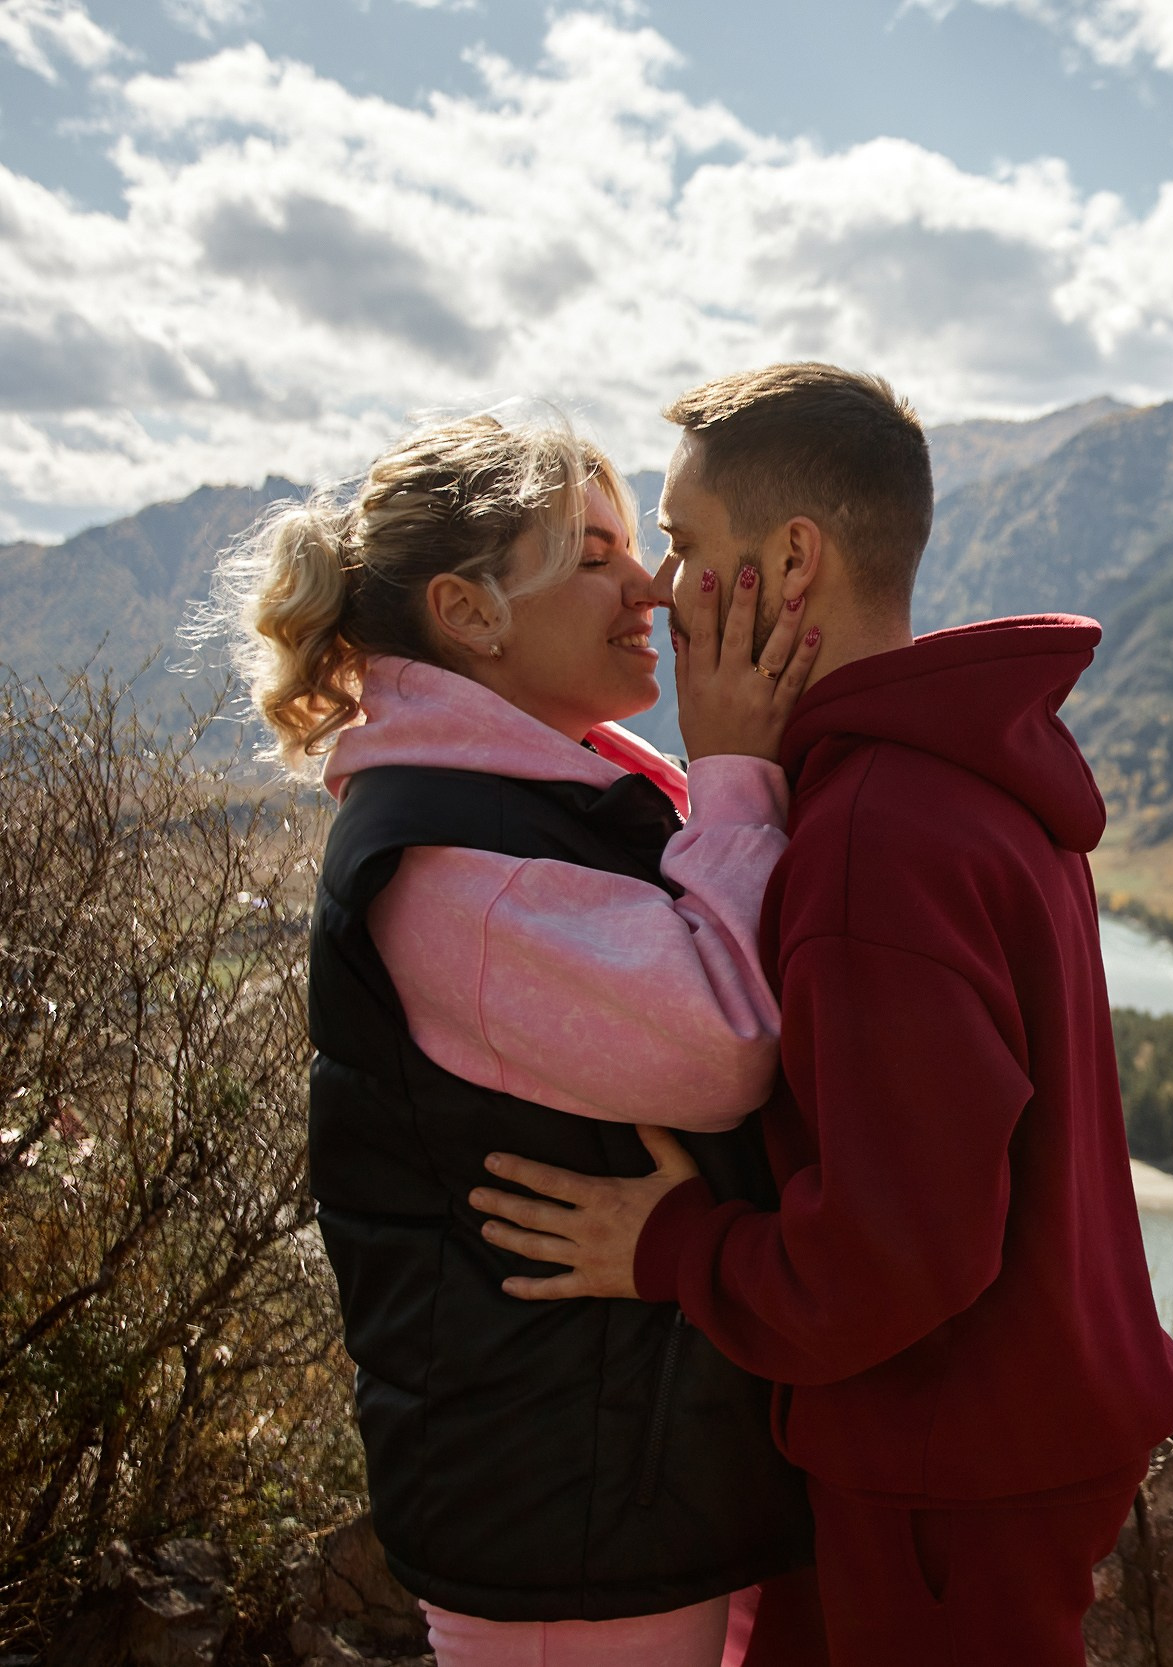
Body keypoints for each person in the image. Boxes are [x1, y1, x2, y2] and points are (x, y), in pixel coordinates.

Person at [470, 363, 1173, 1666]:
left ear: (789, 562)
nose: (663, 589)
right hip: (995, 1446)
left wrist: (675, 1244)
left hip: (946, 1472)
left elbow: (899, 1249)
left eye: (687, 546)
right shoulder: (961, 781)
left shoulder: (875, 837)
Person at [223, 411, 822, 1667]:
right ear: (470, 611)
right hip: (567, 1504)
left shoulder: (528, 797)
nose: (649, 584)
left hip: (609, 1470)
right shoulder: (457, 866)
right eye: (593, 553)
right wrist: (738, 774)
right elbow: (725, 1043)